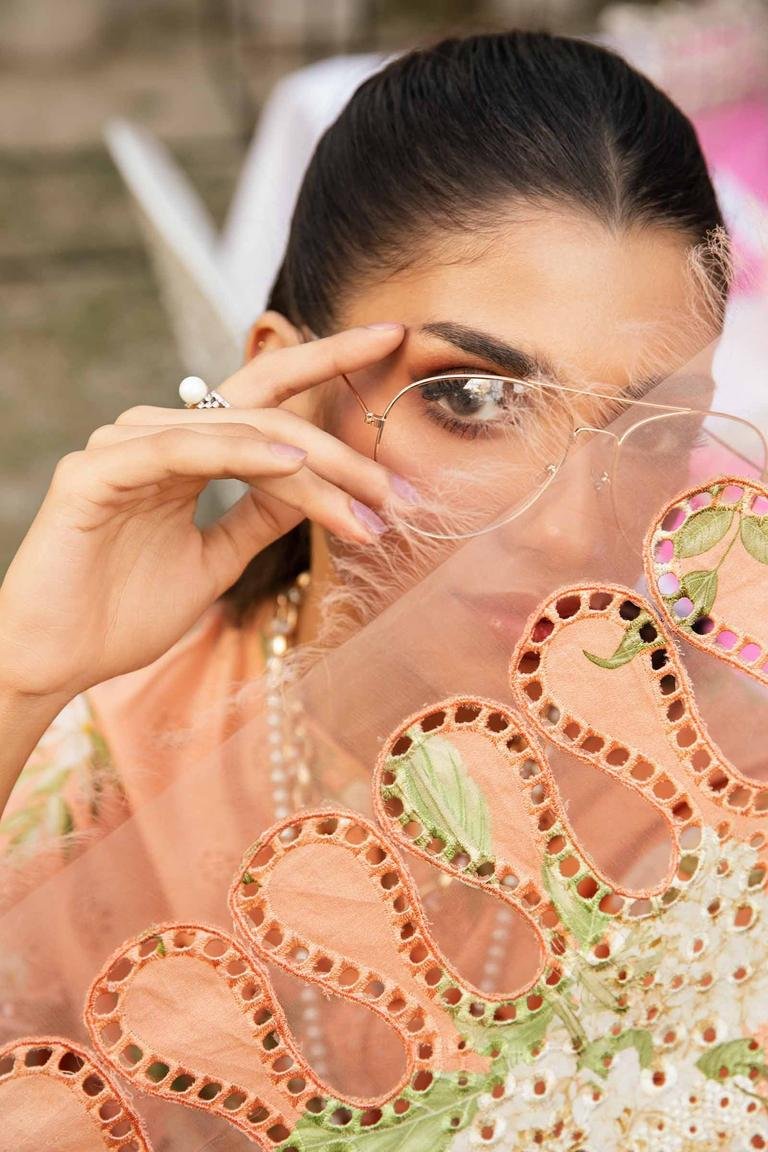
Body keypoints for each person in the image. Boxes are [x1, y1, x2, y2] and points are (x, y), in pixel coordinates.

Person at [0, 27, 727, 1105]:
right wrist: (21, 677)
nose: (572, 534)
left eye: (652, 430)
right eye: (472, 398)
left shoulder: (711, 794)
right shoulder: (91, 754)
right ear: (292, 389)